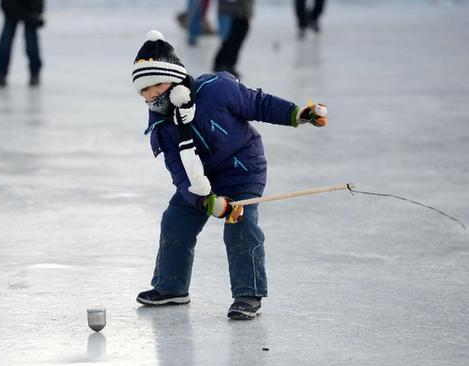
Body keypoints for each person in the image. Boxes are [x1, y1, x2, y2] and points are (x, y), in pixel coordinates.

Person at [131, 30, 327, 320]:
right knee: (175, 220)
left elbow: (259, 103)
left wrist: (298, 114)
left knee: (240, 225)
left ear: (175, 77)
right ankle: (171, 287)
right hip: (202, 181)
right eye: (144, 90)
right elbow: (181, 174)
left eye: (156, 85)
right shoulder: (162, 126)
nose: (151, 95)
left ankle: (248, 294)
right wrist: (205, 202)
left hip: (242, 168)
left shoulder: (217, 90)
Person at [0, 0, 45, 90]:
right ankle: (1, 76)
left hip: (31, 7)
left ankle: (35, 74)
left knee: (31, 43)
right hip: (11, 7)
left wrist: (36, 13)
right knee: (5, 43)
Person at [213, 0, 253, 78]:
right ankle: (223, 64)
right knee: (229, 40)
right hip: (231, 12)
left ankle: (226, 64)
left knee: (235, 40)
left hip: (241, 13)